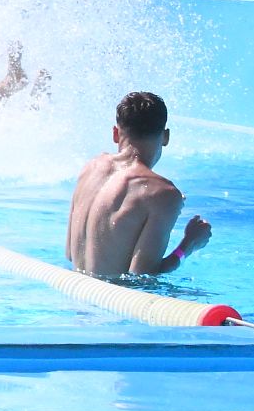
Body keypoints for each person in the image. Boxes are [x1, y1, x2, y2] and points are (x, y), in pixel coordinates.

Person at [66, 91, 213, 277]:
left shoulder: (90, 168)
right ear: (166, 136)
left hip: (75, 296)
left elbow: (70, 254)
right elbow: (142, 278)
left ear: (115, 133)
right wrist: (188, 245)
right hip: (115, 303)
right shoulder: (163, 194)